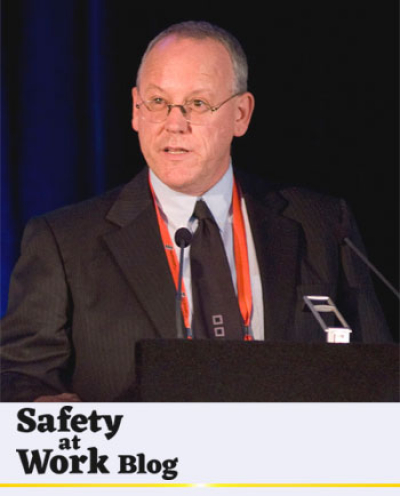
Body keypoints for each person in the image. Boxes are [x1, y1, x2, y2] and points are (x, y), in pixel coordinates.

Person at [0, 21, 392, 402]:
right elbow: (19, 376)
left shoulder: (321, 224)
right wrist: (38, 403)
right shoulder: (65, 241)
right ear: (136, 109)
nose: (174, 124)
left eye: (197, 104)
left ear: (240, 114)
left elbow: (379, 375)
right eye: (158, 102)